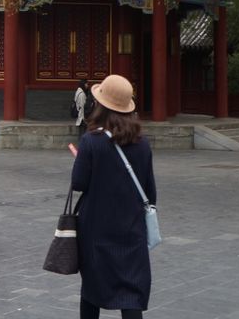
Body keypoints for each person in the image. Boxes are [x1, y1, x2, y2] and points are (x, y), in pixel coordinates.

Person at [71, 74, 155, 319]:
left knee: (92, 289)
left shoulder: (91, 142)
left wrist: (82, 163)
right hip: (131, 226)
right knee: (131, 292)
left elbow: (79, 183)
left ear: (100, 105)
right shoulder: (143, 143)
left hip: (96, 226)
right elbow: (150, 190)